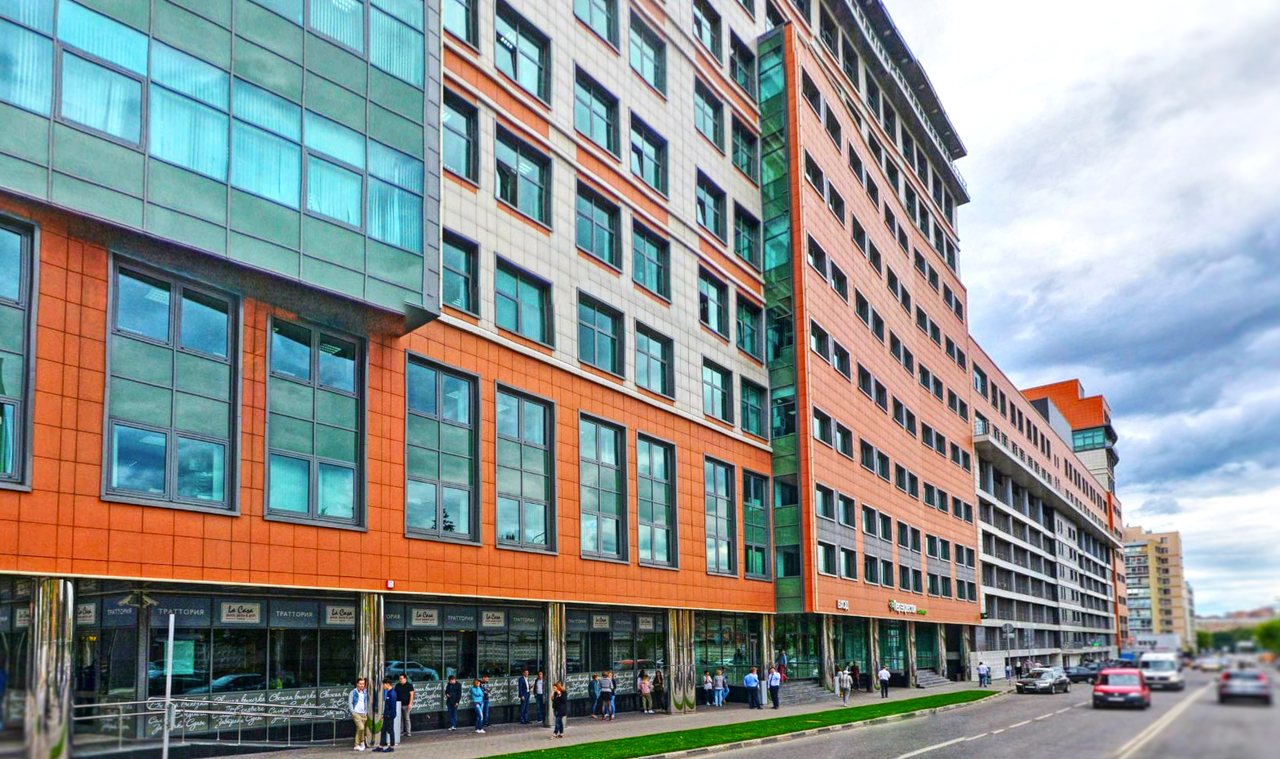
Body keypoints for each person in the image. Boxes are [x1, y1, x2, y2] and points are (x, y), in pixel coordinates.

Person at [374, 677, 397, 752]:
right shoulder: (389, 693)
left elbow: (392, 706)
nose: (383, 686)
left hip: (389, 715)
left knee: (390, 730)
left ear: (387, 684)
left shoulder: (392, 693)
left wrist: (390, 714)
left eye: (384, 685)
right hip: (386, 715)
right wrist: (384, 715)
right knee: (383, 730)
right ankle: (381, 745)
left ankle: (392, 746)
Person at [349, 676, 370, 751]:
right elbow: (350, 702)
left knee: (360, 729)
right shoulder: (353, 692)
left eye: (363, 684)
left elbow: (365, 702)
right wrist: (352, 712)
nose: (362, 685)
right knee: (361, 728)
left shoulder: (364, 692)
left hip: (363, 713)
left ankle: (358, 744)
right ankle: (360, 742)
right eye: (360, 684)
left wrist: (366, 711)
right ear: (357, 684)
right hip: (356, 713)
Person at [395, 674, 414, 738]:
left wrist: (410, 703)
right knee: (400, 718)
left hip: (406, 704)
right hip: (399, 704)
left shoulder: (409, 685)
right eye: (399, 678)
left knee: (406, 718)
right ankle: (401, 731)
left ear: (405, 679)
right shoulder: (397, 686)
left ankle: (408, 732)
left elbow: (412, 694)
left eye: (401, 678)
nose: (400, 680)